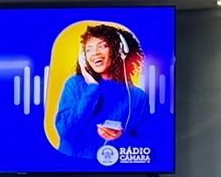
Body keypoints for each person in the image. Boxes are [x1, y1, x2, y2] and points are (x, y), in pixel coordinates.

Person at [53, 23, 151, 159]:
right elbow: (66, 131)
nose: (95, 53)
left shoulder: (137, 96)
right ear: (84, 58)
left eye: (103, 46)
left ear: (120, 51)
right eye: (89, 49)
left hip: (113, 168)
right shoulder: (75, 84)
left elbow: (146, 146)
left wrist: (120, 137)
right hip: (71, 167)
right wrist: (92, 88)